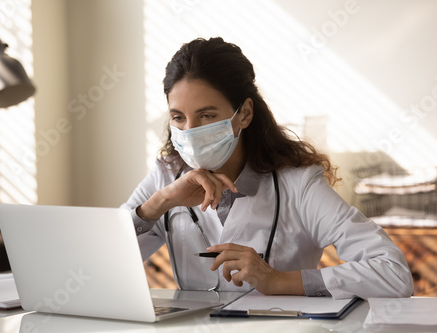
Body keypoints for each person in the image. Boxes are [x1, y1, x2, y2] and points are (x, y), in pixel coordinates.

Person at [121, 37, 413, 299]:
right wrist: (161, 202)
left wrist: (279, 280)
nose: (191, 131)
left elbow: (393, 273)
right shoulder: (165, 175)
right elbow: (93, 267)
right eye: (178, 118)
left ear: (244, 114)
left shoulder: (298, 183)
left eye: (206, 115)